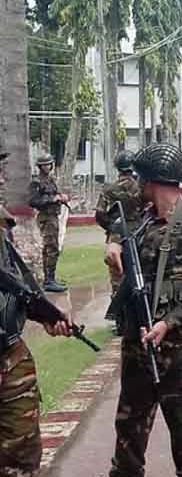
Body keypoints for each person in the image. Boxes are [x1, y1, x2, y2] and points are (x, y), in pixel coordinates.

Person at [103, 143, 182, 477]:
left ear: (153, 182)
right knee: (128, 430)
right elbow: (117, 220)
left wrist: (169, 323)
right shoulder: (141, 220)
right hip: (137, 342)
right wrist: (113, 243)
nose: (138, 186)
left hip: (178, 349)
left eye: (142, 180)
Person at [0, 150, 75, 477]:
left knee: (21, 451)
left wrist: (43, 313)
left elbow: (11, 282)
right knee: (19, 454)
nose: (2, 178)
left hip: (9, 345)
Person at [95, 150, 145, 332]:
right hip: (139, 234)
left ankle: (121, 323)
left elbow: (99, 214)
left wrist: (111, 228)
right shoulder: (141, 187)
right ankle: (141, 319)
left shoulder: (109, 188)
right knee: (140, 274)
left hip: (117, 236)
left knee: (118, 279)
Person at [28, 152, 68, 292]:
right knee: (51, 248)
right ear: (39, 166)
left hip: (53, 216)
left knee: (51, 248)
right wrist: (52, 199)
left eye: (48, 164)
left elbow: (53, 195)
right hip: (46, 217)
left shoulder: (50, 181)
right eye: (44, 164)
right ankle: (49, 281)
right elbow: (33, 201)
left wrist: (61, 198)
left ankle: (50, 278)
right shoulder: (36, 182)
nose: (47, 167)